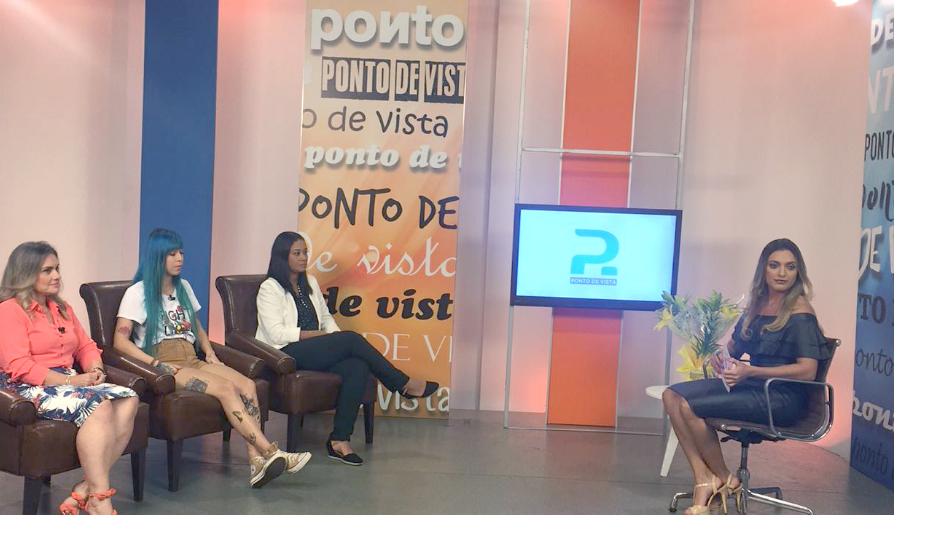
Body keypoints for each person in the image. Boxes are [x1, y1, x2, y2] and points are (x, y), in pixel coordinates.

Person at [113, 228, 311, 488]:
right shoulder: (137, 293)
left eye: (181, 252)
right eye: (172, 254)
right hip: (166, 363)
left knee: (248, 385)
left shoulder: (183, 287)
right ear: (157, 256)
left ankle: (256, 462)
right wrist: (155, 364)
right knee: (226, 389)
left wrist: (209, 352)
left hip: (191, 356)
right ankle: (271, 452)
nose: (180, 258)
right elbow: (120, 341)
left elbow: (196, 325)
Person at [662, 238, 831, 514]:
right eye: (774, 265)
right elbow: (733, 348)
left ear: (798, 272)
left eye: (790, 267)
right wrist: (718, 356)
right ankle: (705, 478)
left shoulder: (801, 312)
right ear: (764, 269)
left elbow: (808, 370)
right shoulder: (757, 305)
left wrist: (751, 370)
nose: (782, 273)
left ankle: (724, 478)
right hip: (752, 386)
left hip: (780, 398)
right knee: (671, 396)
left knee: (688, 406)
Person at [256, 231, 439, 466]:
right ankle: (402, 383)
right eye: (297, 253)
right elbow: (276, 333)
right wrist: (325, 337)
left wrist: (334, 339)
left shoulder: (309, 282)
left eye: (305, 252)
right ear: (283, 256)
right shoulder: (269, 288)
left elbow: (325, 317)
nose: (303, 257)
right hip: (286, 352)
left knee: (357, 365)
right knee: (351, 340)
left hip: (314, 348)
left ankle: (339, 441)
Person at [0, 242, 139, 515]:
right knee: (99, 406)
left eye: (57, 268)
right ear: (25, 273)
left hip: (68, 381)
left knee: (129, 398)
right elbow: (19, 365)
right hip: (28, 386)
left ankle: (84, 489)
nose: (56, 276)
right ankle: (100, 500)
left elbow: (85, 346)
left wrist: (96, 369)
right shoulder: (9, 310)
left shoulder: (62, 308)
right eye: (47, 270)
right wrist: (72, 382)